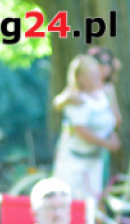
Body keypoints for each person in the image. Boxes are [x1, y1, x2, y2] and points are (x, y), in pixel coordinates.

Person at [52, 55, 121, 202]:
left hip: (96, 158)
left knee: (92, 201)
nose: (97, 77)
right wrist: (106, 144)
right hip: (75, 158)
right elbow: (80, 128)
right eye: (91, 74)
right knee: (68, 199)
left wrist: (112, 134)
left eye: (97, 73)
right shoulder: (75, 98)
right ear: (80, 78)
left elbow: (114, 118)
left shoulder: (105, 92)